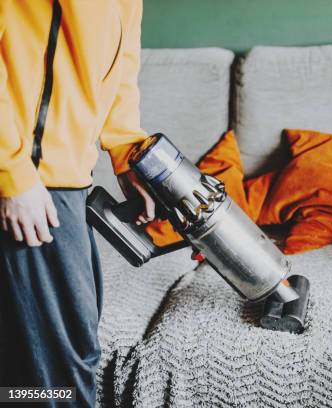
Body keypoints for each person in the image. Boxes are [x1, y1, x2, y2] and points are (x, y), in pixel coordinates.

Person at [0, 1, 154, 406]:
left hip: (64, 182)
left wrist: (126, 153)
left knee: (33, 371)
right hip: (30, 184)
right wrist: (11, 173)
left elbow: (120, 66)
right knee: (61, 372)